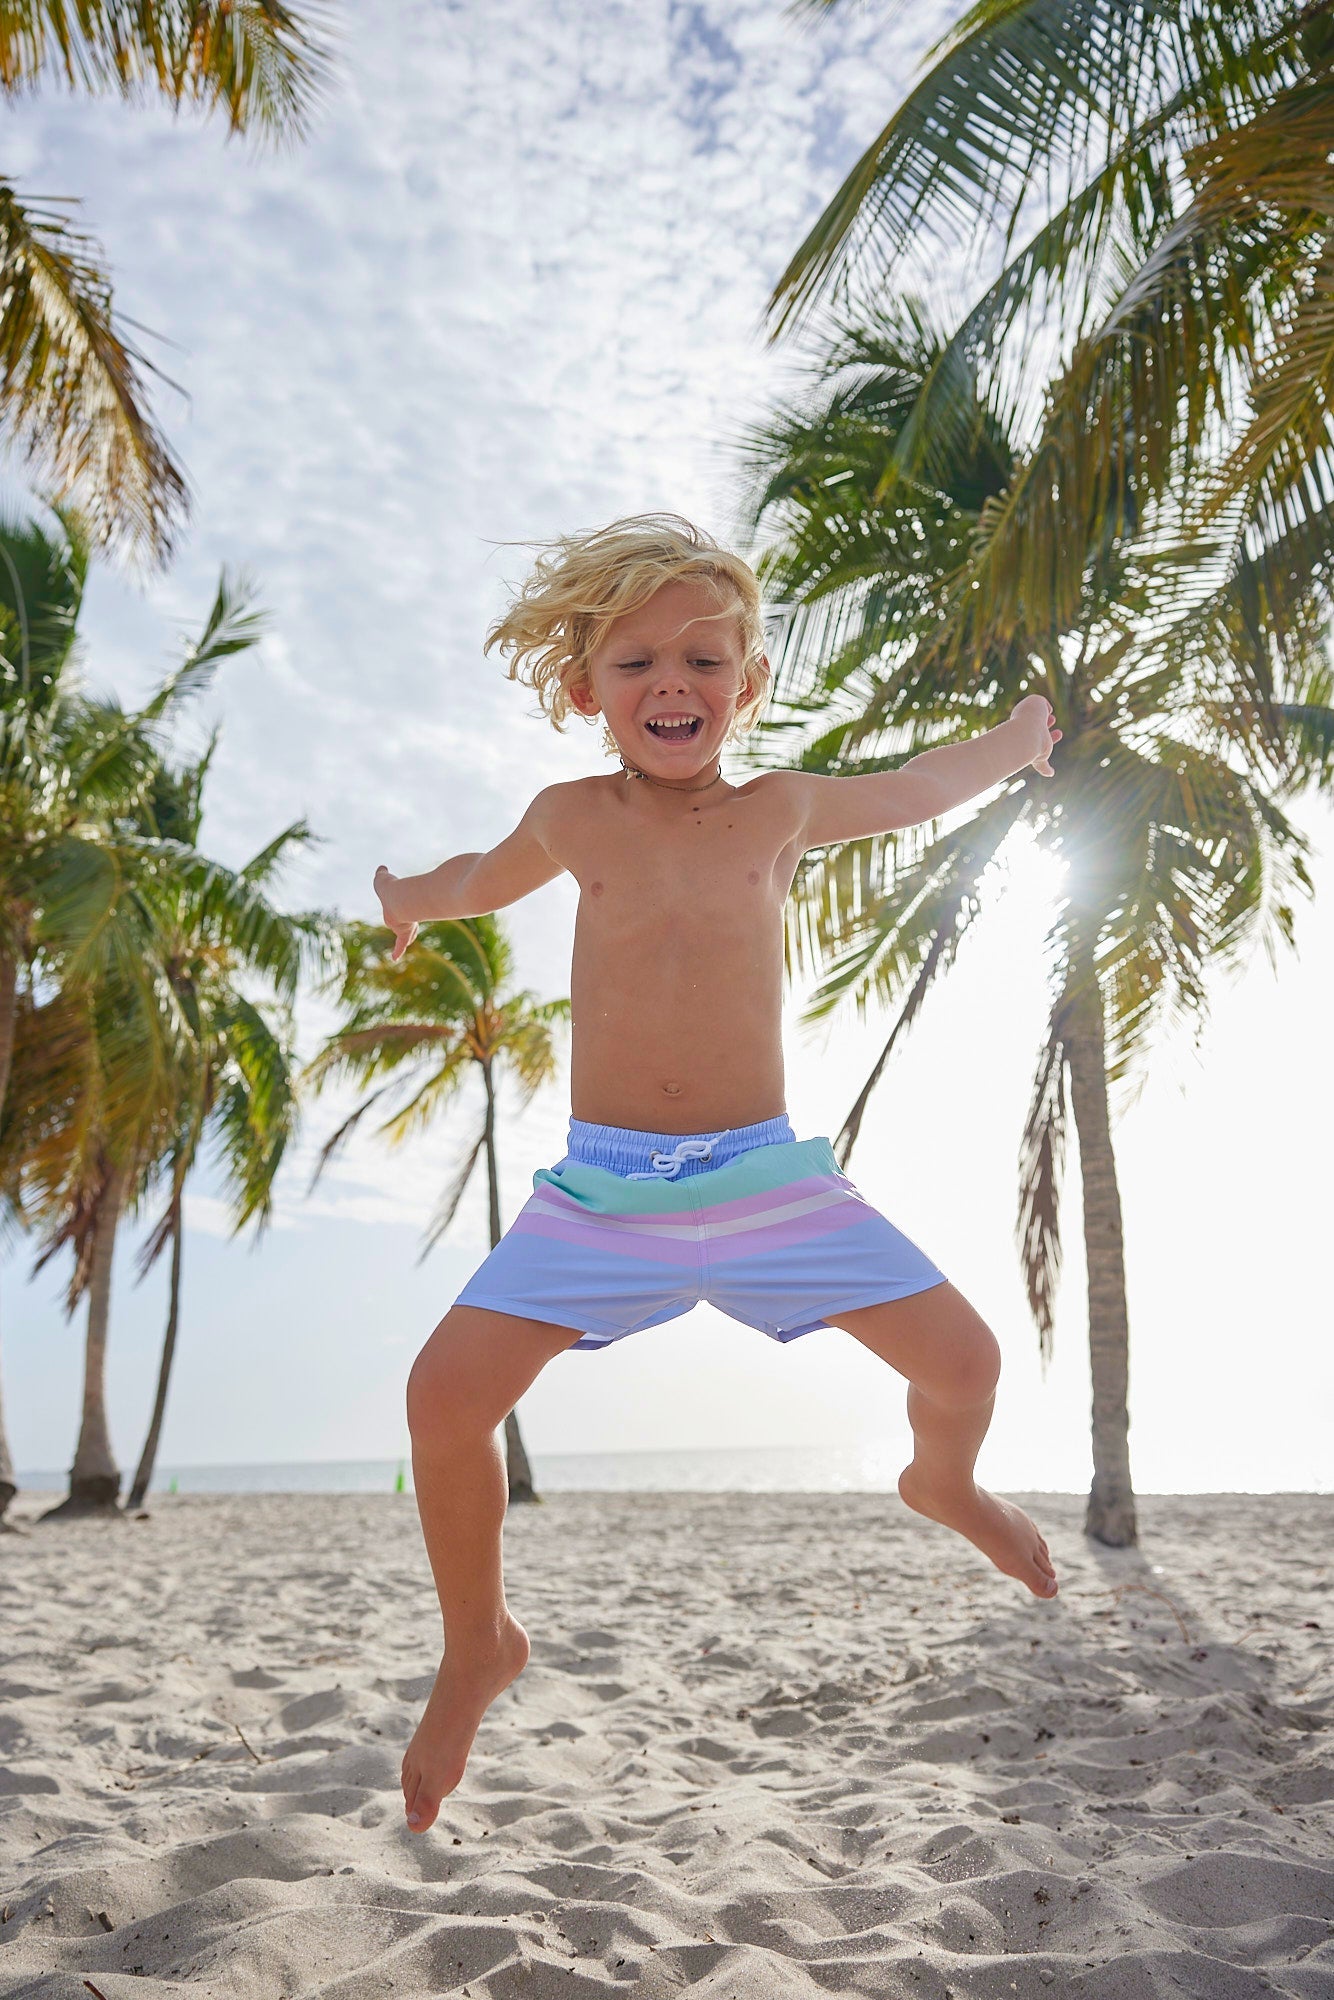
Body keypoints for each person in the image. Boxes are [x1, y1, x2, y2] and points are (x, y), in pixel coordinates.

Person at [375, 514, 1063, 1834]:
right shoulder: (570, 818)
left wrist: (1010, 746)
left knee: (964, 1368)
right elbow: (477, 880)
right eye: (633, 663)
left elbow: (912, 787)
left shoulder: (781, 807)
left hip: (763, 1184)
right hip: (605, 1198)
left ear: (746, 685)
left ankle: (942, 1483)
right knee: (440, 1400)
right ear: (585, 690)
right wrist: (407, 893)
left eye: (701, 657)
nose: (669, 684)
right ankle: (477, 1644)